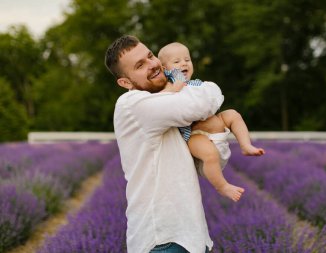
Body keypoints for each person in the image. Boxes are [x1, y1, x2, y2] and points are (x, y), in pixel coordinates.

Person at [105, 35, 222, 253]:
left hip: (193, 236)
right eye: (140, 65)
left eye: (150, 55)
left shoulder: (166, 107)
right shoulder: (131, 104)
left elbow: (208, 162)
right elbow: (203, 101)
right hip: (163, 241)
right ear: (125, 82)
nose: (152, 65)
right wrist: (210, 89)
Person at [158, 42, 265, 202]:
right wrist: (175, 85)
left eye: (187, 59)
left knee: (232, 114)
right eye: (177, 61)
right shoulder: (168, 87)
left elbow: (212, 98)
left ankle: (245, 145)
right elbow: (168, 103)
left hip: (216, 126)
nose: (184, 63)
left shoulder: (198, 84)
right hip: (195, 134)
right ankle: (222, 186)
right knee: (210, 155)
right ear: (166, 70)